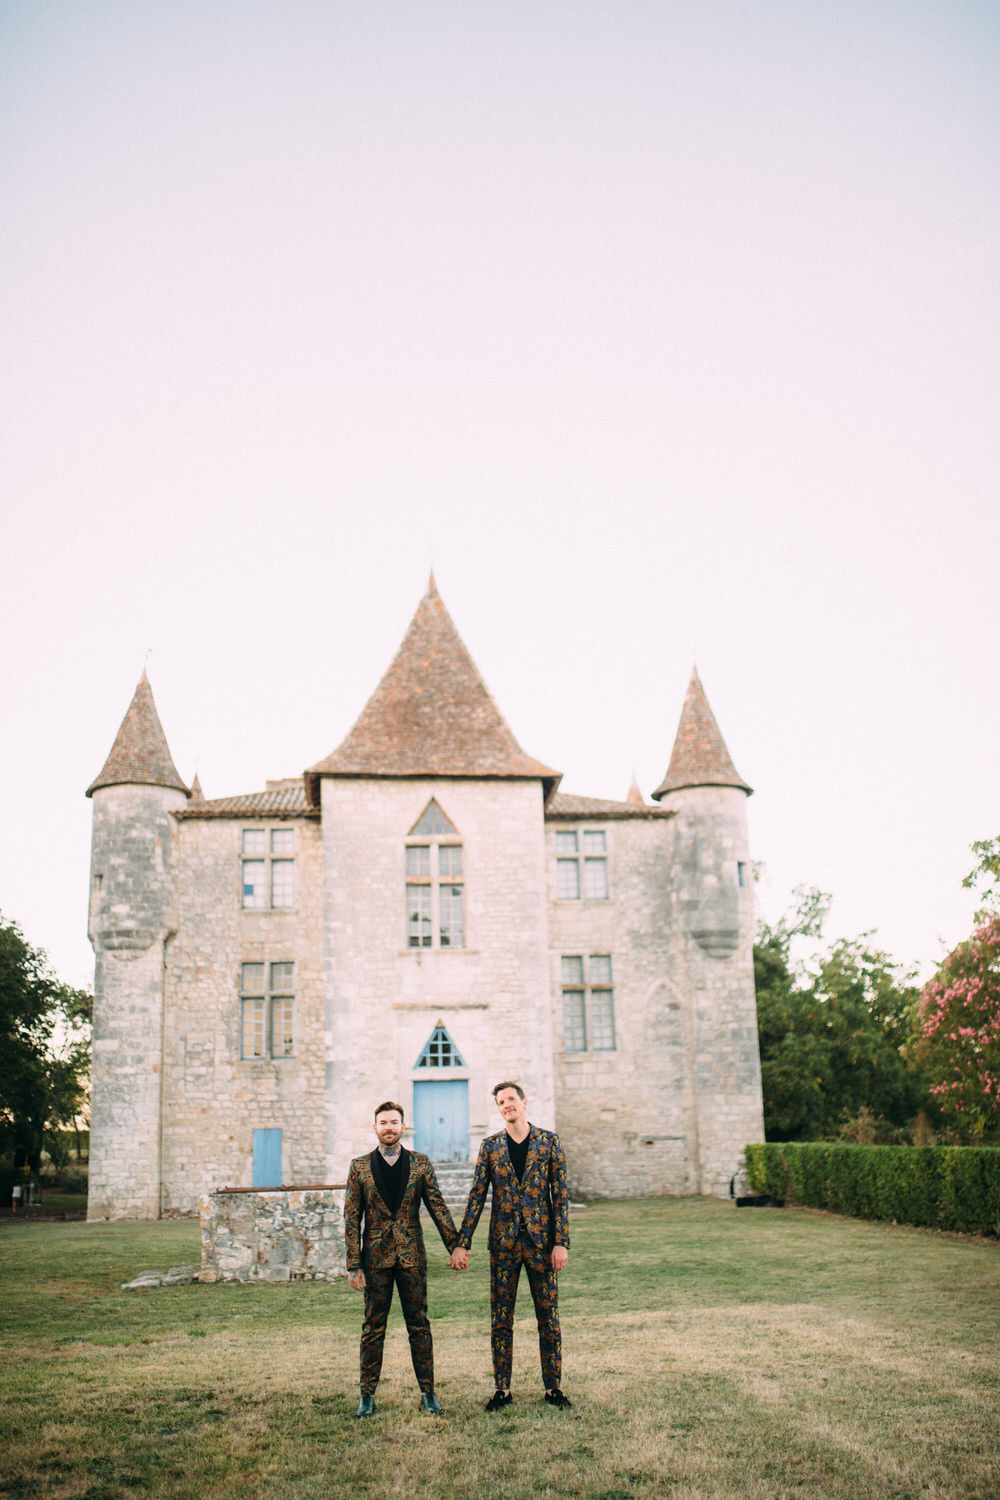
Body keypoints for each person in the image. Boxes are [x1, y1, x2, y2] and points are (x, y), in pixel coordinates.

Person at [450, 1081, 571, 1410]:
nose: (507, 1105)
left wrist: (561, 1243)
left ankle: (553, 1387)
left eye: (511, 1099)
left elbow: (560, 1197)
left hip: (541, 1245)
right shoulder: (490, 1147)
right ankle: (502, 1389)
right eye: (501, 1102)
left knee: (548, 1316)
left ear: (524, 1102)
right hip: (503, 1246)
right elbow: (477, 1196)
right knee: (501, 1318)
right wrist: (463, 1244)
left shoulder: (548, 1142)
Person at [344, 1099, 459, 1418]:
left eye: (394, 1122)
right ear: (375, 1127)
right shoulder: (359, 1167)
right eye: (383, 1123)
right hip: (375, 1262)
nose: (389, 1128)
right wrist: (354, 1264)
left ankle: (428, 1393)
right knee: (372, 1328)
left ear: (403, 1126)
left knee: (419, 1325)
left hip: (412, 1259)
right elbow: (352, 1218)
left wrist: (456, 1245)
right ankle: (367, 1395)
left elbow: (438, 1206)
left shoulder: (420, 1164)